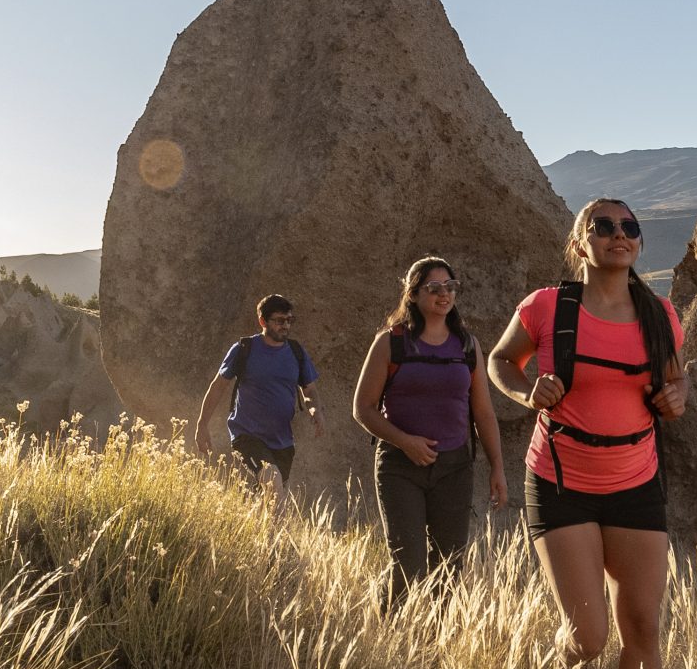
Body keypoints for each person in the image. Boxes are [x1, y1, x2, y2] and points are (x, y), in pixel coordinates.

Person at [488, 199, 686, 669]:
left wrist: (678, 396)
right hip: (561, 482)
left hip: (636, 482)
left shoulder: (660, 315)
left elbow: (676, 377)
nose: (619, 235)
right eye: (604, 227)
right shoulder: (547, 307)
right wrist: (526, 391)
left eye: (629, 227)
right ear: (580, 243)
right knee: (589, 637)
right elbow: (501, 360)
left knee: (643, 627)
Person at [351, 257, 509, 605]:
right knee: (408, 566)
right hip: (400, 467)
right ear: (412, 293)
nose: (444, 294)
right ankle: (390, 627)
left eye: (450, 287)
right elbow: (363, 408)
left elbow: (483, 413)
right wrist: (405, 442)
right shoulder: (390, 342)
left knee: (448, 570)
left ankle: (435, 638)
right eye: (434, 288)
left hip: (454, 468)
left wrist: (497, 467)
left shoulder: (467, 345)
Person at [190, 293, 321, 509]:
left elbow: (310, 390)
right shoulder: (244, 349)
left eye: (289, 320)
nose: (286, 326)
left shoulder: (296, 352)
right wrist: (202, 424)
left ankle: (251, 529)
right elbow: (218, 386)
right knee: (273, 480)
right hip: (247, 435)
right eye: (279, 320)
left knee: (269, 499)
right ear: (263, 321)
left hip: (283, 441)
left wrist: (316, 411)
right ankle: (280, 533)